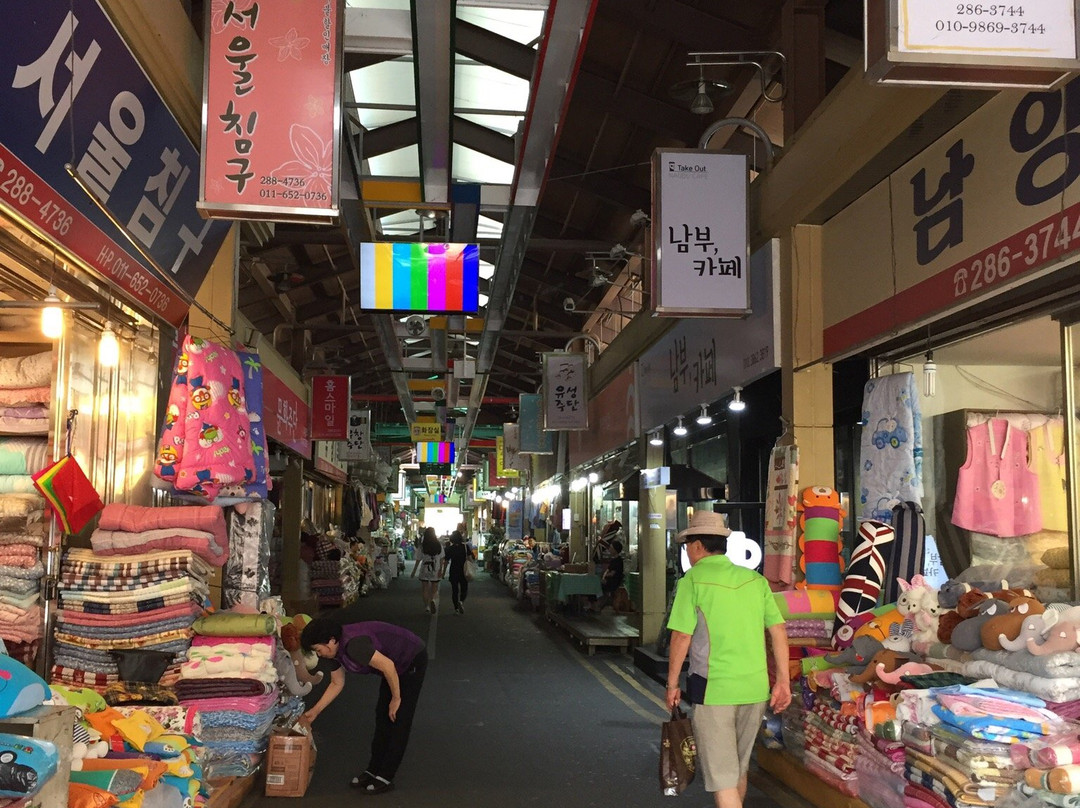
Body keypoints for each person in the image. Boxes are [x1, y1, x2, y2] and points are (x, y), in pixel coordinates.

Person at [664, 511, 790, 808]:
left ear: (696, 546)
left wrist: (672, 685)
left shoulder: (692, 581)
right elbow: (778, 629)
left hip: (714, 689)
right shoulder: (754, 580)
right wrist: (783, 680)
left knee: (722, 777)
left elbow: (681, 637)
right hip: (755, 688)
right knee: (737, 769)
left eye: (687, 546)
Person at [299, 617, 428, 796]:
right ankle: (373, 769)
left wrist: (397, 698)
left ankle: (386, 776)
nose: (318, 654)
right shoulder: (332, 653)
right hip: (391, 667)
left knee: (398, 718)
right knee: (382, 716)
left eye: (317, 649)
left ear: (331, 641)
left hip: (411, 658)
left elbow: (389, 666)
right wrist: (315, 711)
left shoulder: (354, 645)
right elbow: (337, 683)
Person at [409, 526, 443, 614]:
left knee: (425, 588)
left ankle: (427, 606)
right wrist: (441, 570)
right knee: (434, 588)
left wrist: (414, 571)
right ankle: (433, 600)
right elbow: (442, 559)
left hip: (424, 569)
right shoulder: (439, 545)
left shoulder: (422, 546)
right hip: (435, 568)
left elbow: (418, 559)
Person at [440, 529, 473, 614]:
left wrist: (443, 573)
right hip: (464, 570)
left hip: (454, 570)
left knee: (455, 590)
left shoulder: (450, 549)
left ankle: (456, 609)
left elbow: (446, 562)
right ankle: (461, 601)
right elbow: (470, 559)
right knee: (464, 588)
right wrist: (472, 567)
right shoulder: (465, 547)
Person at [590, 539, 625, 613]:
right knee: (594, 585)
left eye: (611, 548)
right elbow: (608, 570)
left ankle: (598, 605)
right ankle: (594, 604)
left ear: (615, 550)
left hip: (614, 581)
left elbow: (613, 573)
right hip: (609, 579)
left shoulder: (619, 561)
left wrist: (605, 578)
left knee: (600, 587)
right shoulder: (613, 560)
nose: (609, 549)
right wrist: (603, 577)